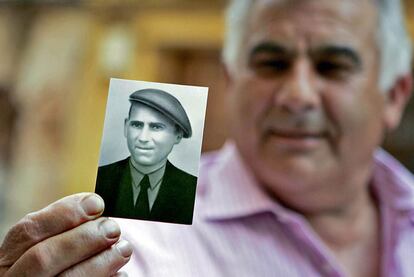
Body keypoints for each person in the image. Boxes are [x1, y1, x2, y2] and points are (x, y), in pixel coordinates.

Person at [1, 0, 413, 276]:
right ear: (231, 84)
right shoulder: (133, 245)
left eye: (332, 66)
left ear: (394, 95)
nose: (297, 95)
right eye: (271, 63)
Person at [95, 88, 197, 224]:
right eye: (137, 125)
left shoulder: (191, 191)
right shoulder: (101, 179)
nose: (143, 138)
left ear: (177, 135)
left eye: (156, 127)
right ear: (126, 127)